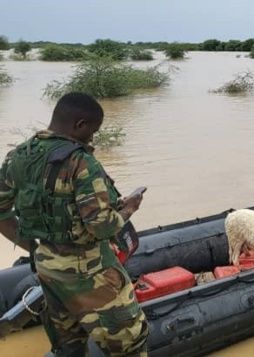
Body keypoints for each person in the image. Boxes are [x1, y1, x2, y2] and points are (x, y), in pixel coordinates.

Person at [0, 93, 149, 356]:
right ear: (79, 124)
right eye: (92, 131)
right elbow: (101, 227)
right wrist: (128, 209)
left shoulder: (19, 156)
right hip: (91, 273)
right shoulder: (81, 162)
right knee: (130, 343)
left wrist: (34, 248)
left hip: (48, 267)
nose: (92, 138)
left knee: (67, 345)